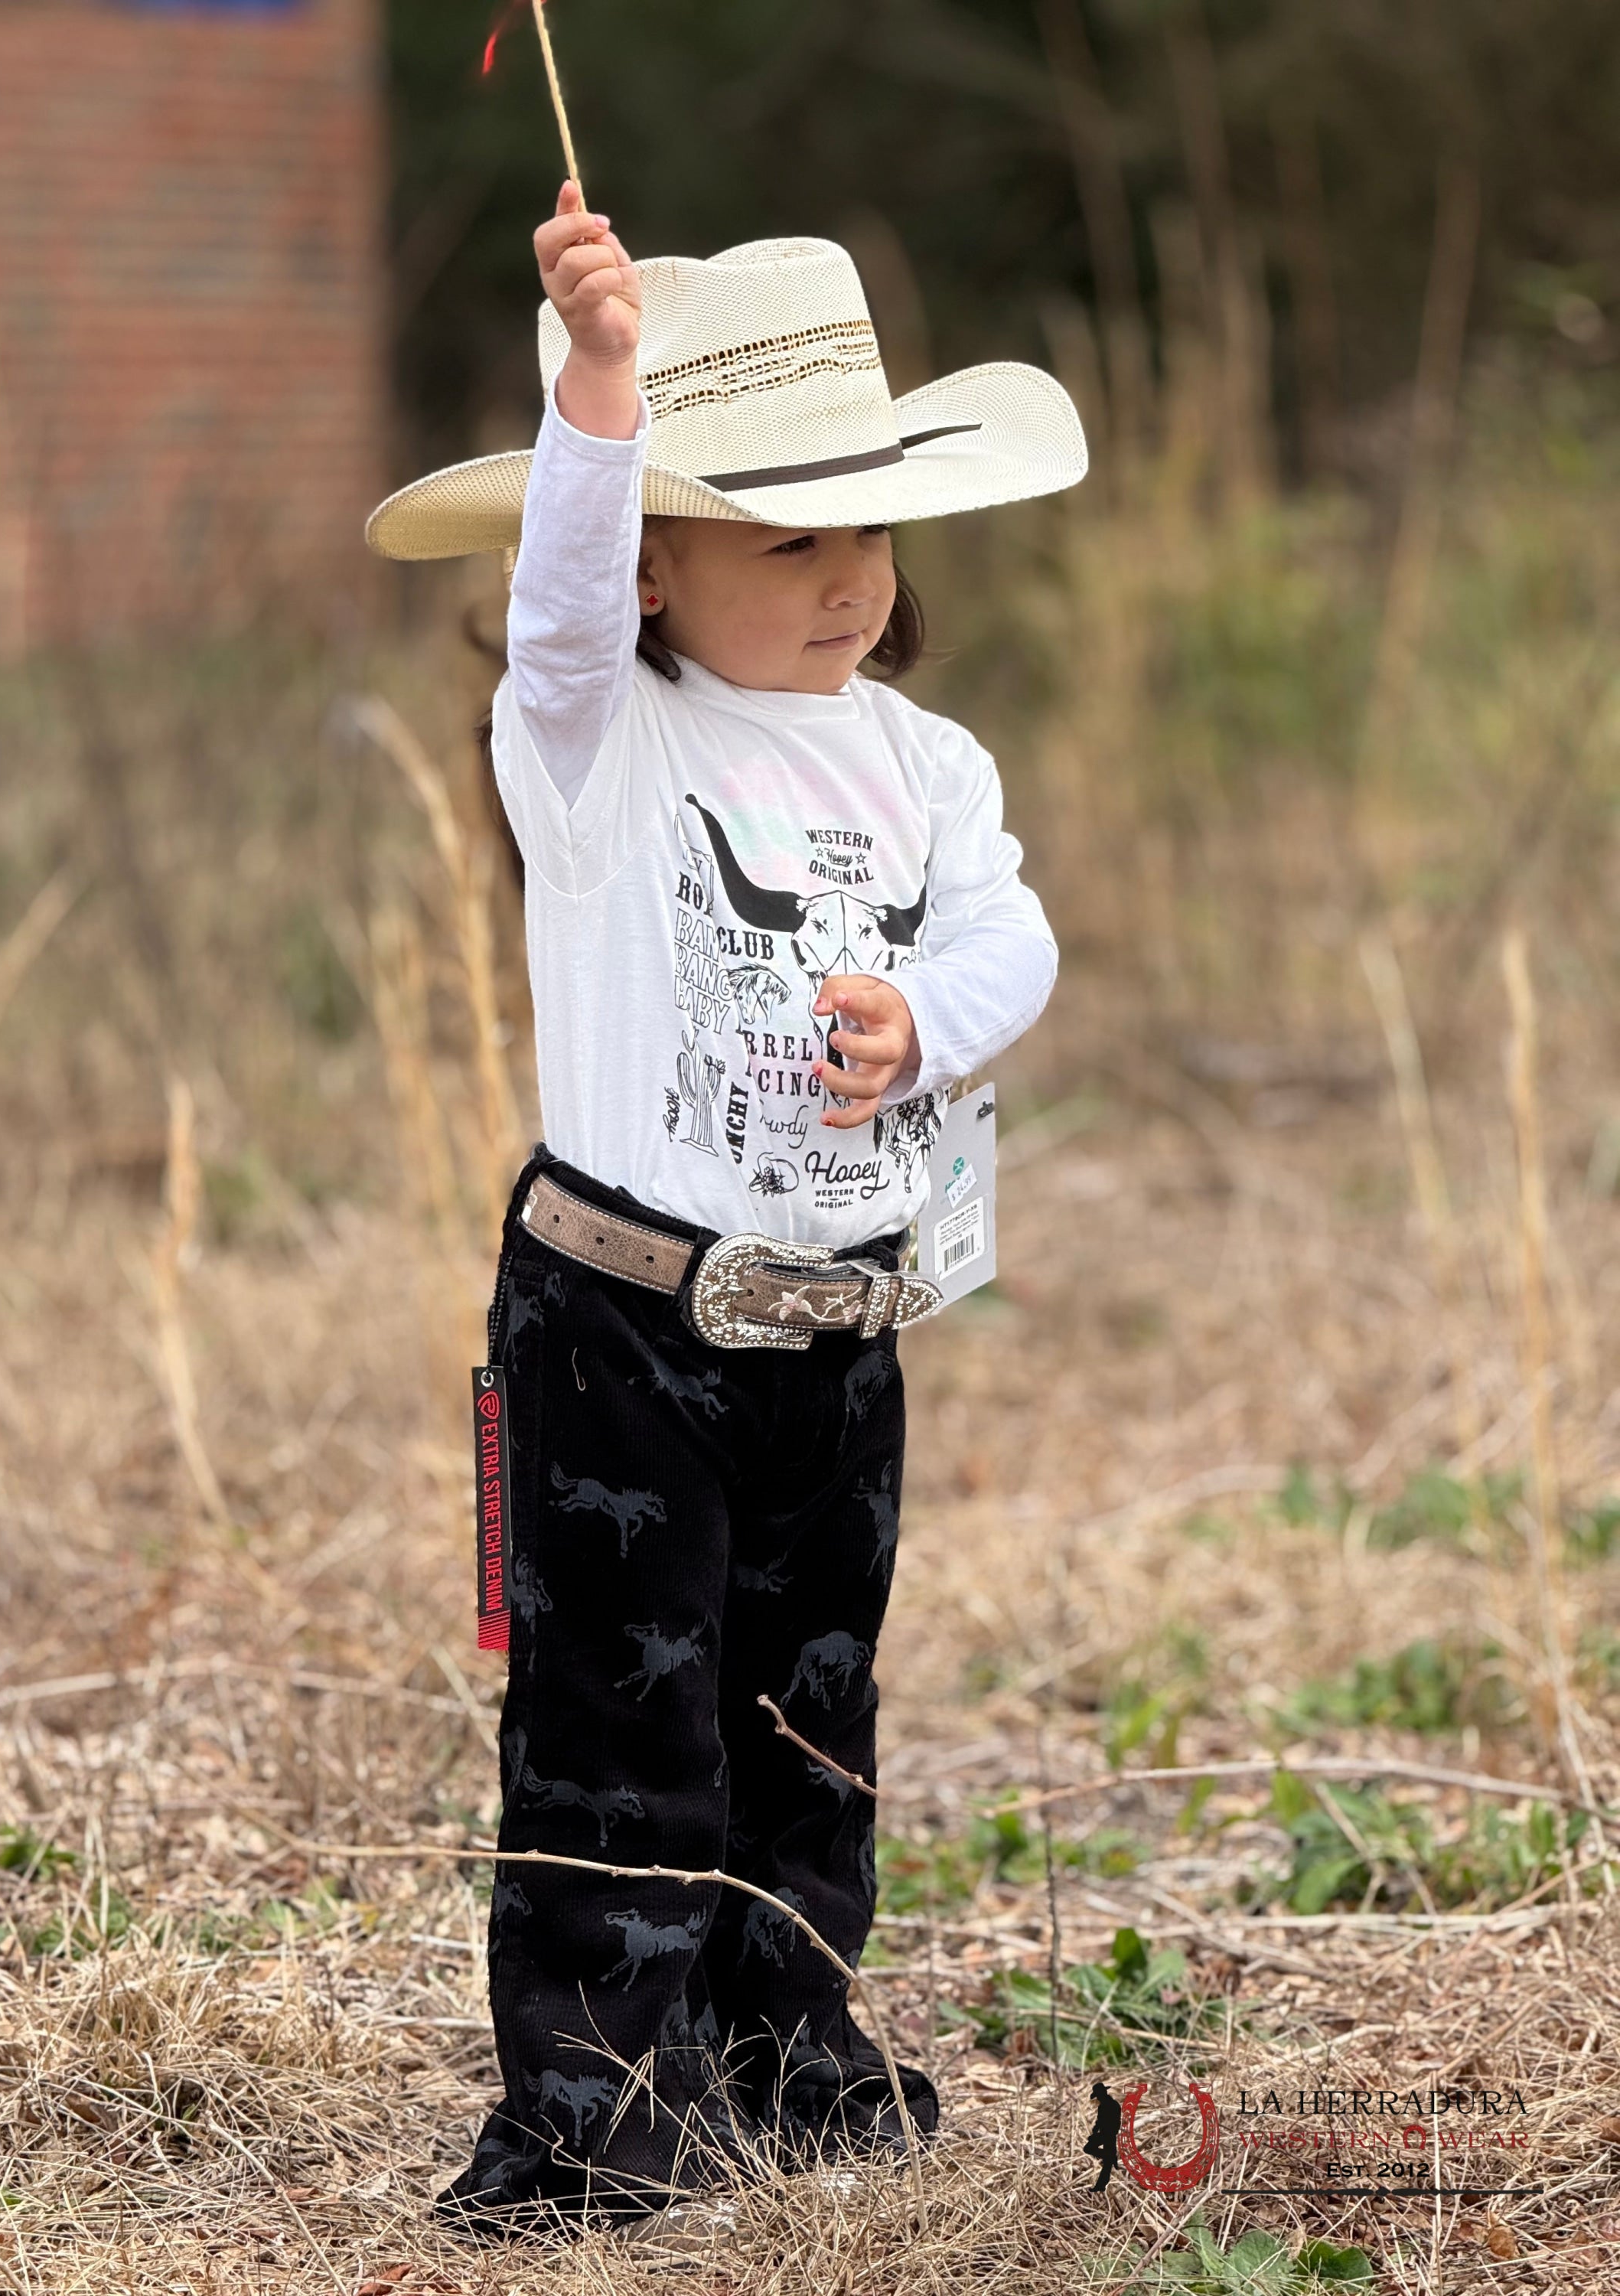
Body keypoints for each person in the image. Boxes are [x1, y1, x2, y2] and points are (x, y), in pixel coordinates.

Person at [366, 183, 1086, 2239]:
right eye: (789, 539)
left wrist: (927, 1016)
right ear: (658, 570)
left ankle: (789, 2042)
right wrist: (600, 395)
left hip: (839, 1320)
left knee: (807, 1706)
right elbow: (562, 609)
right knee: (618, 1723)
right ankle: (597, 2111)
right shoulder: (592, 737)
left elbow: (1008, 936)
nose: (852, 580)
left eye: (872, 532)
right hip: (626, 1325)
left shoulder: (921, 760)